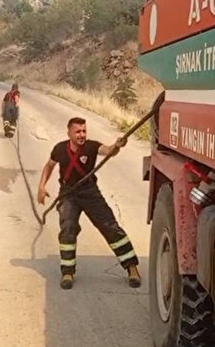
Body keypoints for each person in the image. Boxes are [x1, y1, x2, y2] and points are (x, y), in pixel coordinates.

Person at [37, 117, 140, 290]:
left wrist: (117, 145)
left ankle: (132, 268)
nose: (82, 135)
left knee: (110, 227)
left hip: (90, 193)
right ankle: (68, 272)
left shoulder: (92, 146)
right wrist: (41, 187)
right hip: (68, 193)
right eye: (78, 131)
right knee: (67, 229)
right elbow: (49, 166)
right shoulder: (60, 149)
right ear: (68, 132)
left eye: (84, 131)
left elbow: (108, 151)